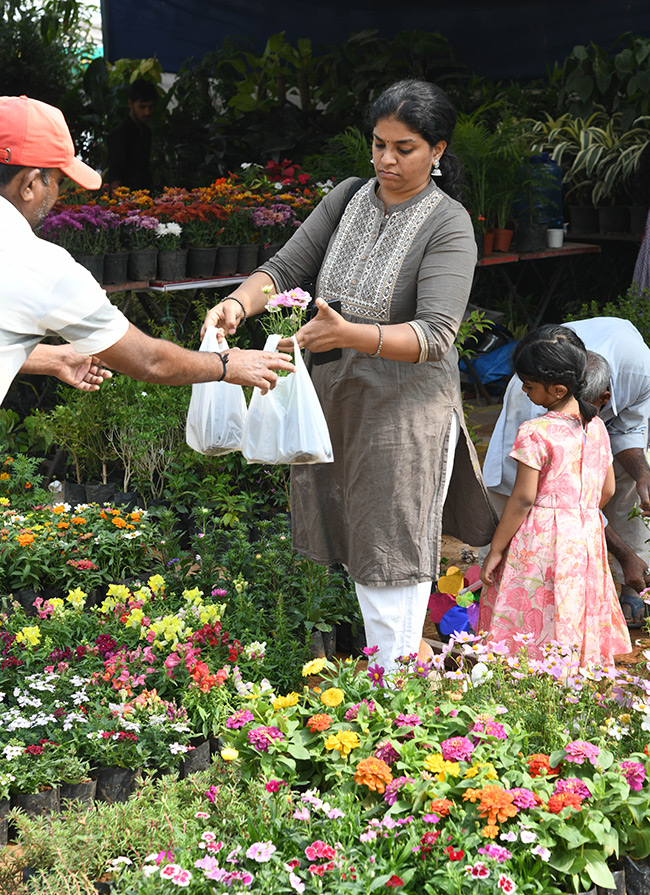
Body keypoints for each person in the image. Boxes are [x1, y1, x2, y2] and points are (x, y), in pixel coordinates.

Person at [202, 80, 497, 673]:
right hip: (334, 398)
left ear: (438, 150)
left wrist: (349, 333)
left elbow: (436, 335)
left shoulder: (449, 223)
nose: (387, 159)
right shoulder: (348, 197)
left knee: (391, 547)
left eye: (405, 148)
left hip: (404, 413)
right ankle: (393, 680)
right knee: (355, 541)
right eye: (379, 144)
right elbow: (285, 266)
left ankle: (397, 689)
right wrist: (237, 304)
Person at [0, 94, 293, 405]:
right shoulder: (40, 265)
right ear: (30, 184)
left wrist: (54, 359)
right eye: (59, 181)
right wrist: (226, 365)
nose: (59, 194)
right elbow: (148, 360)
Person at [479, 325, 631, 667]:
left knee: (535, 607)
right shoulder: (597, 427)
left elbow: (522, 499)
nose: (523, 389)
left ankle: (532, 678)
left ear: (558, 388)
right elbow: (607, 489)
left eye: (529, 385)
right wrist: (578, 513)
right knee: (573, 605)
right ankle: (574, 677)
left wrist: (496, 549)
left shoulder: (535, 432)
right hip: (585, 537)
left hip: (542, 538)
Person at [106, 79, 157, 193]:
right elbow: (114, 173)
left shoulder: (146, 131)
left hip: (144, 194)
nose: (147, 112)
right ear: (130, 104)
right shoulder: (119, 133)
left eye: (151, 107)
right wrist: (121, 197)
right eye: (142, 107)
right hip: (127, 196)